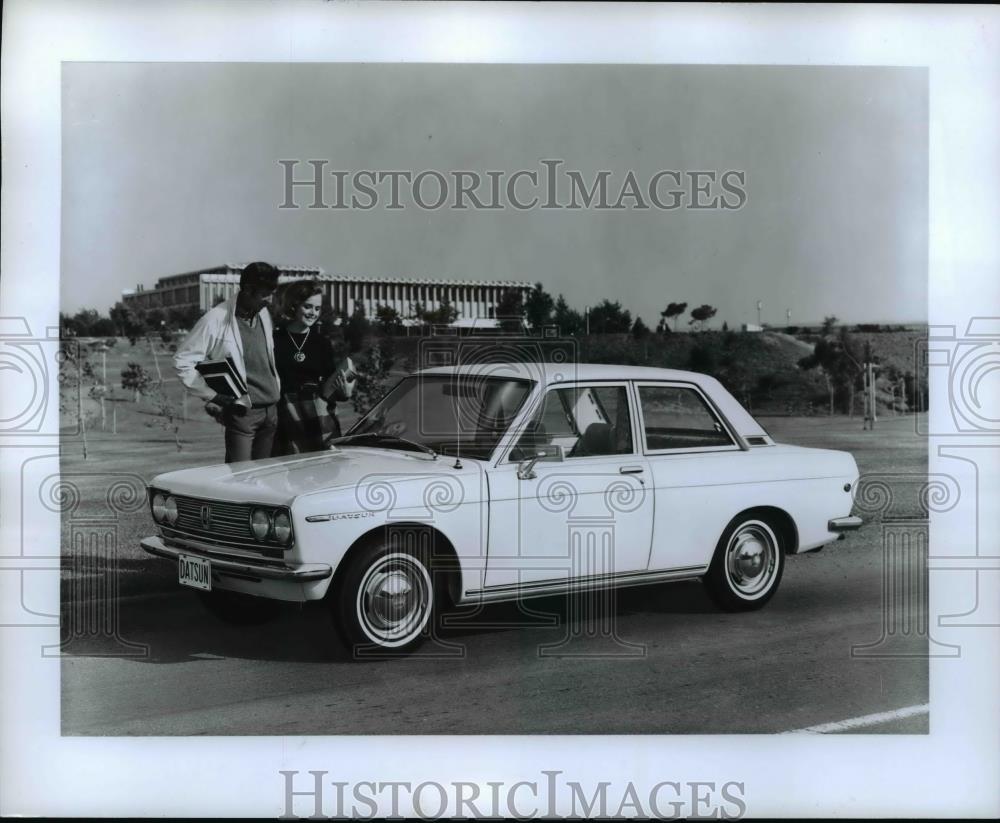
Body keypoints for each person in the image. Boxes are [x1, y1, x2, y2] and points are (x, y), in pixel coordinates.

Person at [174, 261, 282, 463]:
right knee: (238, 481)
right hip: (243, 415)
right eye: (266, 294)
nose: (271, 300)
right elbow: (183, 361)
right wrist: (213, 396)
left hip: (271, 413)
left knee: (266, 481)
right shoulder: (215, 318)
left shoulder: (264, 314)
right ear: (249, 290)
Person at [271, 279, 356, 456]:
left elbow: (329, 385)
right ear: (294, 305)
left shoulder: (322, 343)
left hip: (319, 415)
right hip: (285, 415)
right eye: (308, 307)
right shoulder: (274, 340)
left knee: (325, 471)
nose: (313, 313)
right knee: (287, 473)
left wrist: (345, 392)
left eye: (317, 309)